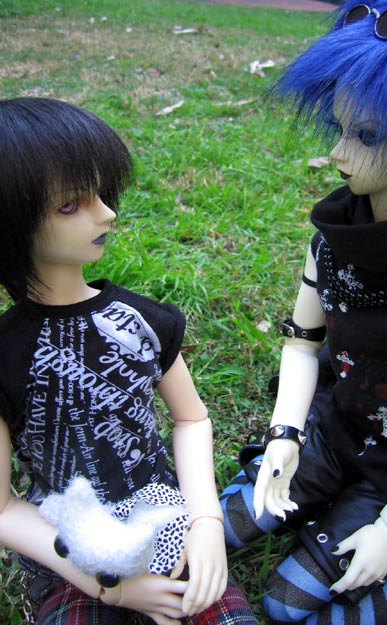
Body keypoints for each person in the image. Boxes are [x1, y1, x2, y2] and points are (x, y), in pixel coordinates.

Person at [220, 1, 387, 623]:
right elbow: (302, 341)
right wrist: (285, 434)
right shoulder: (335, 235)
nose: (338, 151)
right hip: (333, 425)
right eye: (340, 127)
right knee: (229, 522)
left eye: (368, 136)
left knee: (287, 605)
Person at [0, 96, 258, 625]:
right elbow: (2, 508)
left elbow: (192, 418)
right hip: (68, 546)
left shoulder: (142, 321)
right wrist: (107, 586)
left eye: (101, 193)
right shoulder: (4, 353)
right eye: (70, 205)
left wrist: (205, 520)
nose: (107, 213)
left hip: (165, 518)